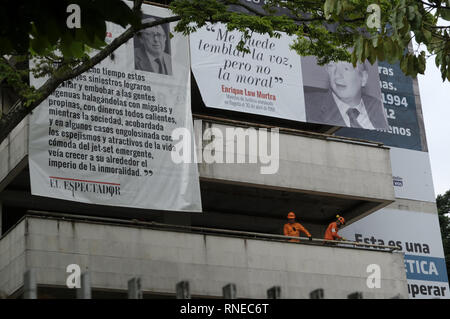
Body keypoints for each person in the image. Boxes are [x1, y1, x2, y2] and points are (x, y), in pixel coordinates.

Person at [305, 61, 387, 129]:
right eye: (332, 66)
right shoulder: (307, 106)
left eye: (346, 68)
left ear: (363, 78)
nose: (337, 75)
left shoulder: (381, 109)